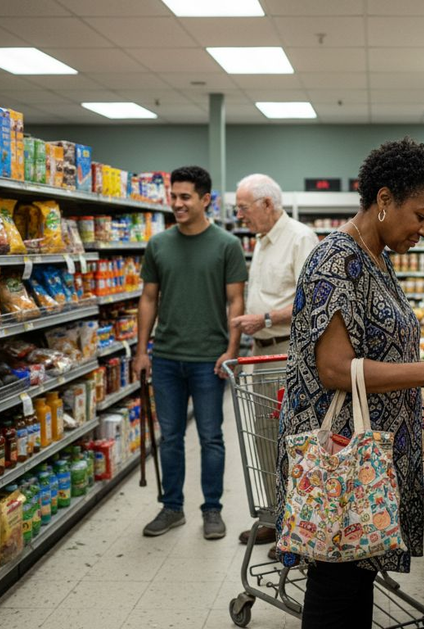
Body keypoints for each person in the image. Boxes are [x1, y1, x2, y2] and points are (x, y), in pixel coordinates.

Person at [275, 138, 424, 628]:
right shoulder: (336, 260)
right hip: (342, 457)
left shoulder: (378, 258)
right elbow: (335, 370)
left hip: (371, 455)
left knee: (355, 582)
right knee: (336, 588)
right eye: (420, 215)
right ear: (383, 199)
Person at [135, 165, 247, 540]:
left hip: (208, 359)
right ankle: (172, 507)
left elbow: (236, 301)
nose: (177, 203)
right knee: (170, 437)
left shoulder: (227, 245)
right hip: (166, 356)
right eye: (174, 196)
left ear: (205, 200)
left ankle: (212, 510)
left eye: (185, 197)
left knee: (211, 437)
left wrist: (231, 350)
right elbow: (148, 299)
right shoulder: (158, 245)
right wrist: (142, 351)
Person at [229, 173, 318, 548]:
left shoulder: (299, 238)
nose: (239, 216)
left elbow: (312, 300)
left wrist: (264, 319)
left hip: (285, 351)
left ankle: (297, 522)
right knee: (265, 438)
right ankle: (274, 515)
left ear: (267, 203)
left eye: (243, 208)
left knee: (291, 439)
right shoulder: (263, 240)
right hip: (260, 352)